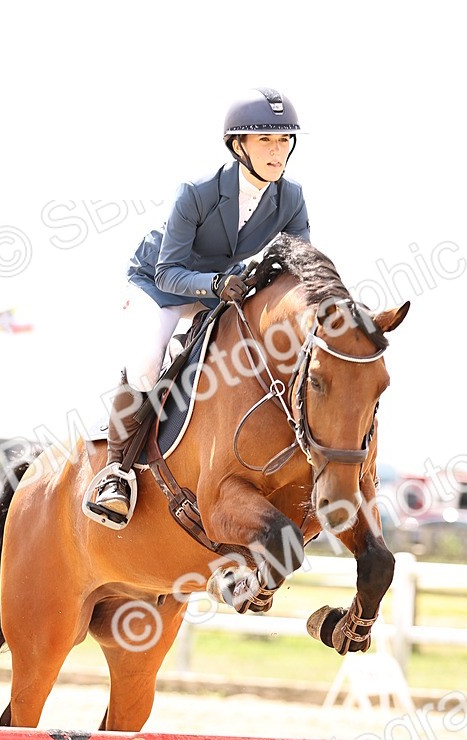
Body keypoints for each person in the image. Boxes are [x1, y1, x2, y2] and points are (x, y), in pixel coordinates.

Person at [90, 86, 311, 522]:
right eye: (265, 139)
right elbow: (168, 272)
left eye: (284, 139)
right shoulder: (197, 191)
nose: (277, 150)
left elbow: (300, 265)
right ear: (238, 145)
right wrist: (217, 284)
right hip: (160, 285)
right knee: (148, 364)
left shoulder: (291, 197)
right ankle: (116, 470)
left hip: (221, 289)